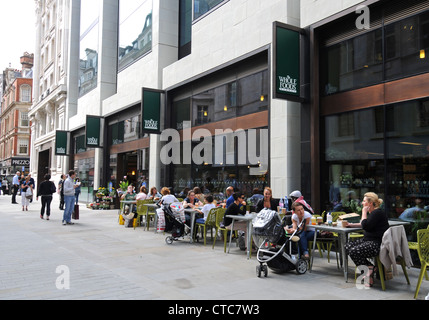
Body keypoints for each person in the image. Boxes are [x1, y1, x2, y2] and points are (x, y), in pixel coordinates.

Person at [344, 192, 389, 287]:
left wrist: (363, 212)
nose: (362, 203)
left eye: (364, 201)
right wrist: (351, 225)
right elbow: (366, 223)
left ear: (370, 203)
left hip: (376, 244)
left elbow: (365, 226)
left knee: (353, 251)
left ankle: (368, 270)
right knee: (347, 246)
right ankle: (370, 269)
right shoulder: (374, 213)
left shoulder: (377, 213)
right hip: (368, 241)